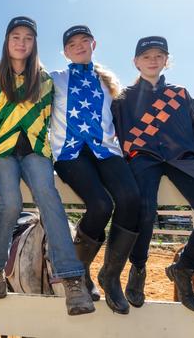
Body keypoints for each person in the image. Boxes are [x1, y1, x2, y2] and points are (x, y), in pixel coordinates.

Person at [0, 17, 94, 315]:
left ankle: (71, 279)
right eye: (16, 36)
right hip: (1, 151)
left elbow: (56, 117)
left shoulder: (45, 80)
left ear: (34, 44)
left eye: (28, 38)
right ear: (7, 42)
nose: (21, 42)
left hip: (36, 150)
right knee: (10, 203)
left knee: (49, 199)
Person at [112, 36, 194, 311]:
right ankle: (138, 268)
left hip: (182, 160)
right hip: (142, 160)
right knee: (145, 211)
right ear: (136, 61)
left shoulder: (181, 94)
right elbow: (114, 136)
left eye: (158, 56)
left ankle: (184, 268)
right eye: (146, 56)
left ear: (166, 60)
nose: (152, 60)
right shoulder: (123, 98)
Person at [49, 25, 140, 314]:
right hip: (69, 153)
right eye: (72, 43)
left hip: (105, 150)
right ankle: (80, 270)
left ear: (93, 44)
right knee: (100, 205)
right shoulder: (54, 79)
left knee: (131, 199)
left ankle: (110, 275)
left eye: (83, 41)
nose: (78, 46)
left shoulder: (108, 83)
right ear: (64, 52)